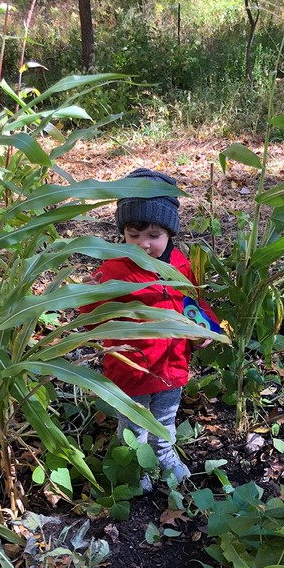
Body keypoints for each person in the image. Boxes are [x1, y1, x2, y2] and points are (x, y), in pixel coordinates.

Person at [80, 167, 220, 491]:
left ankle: (163, 451)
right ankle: (132, 463)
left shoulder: (181, 265)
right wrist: (87, 295)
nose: (143, 244)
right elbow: (91, 317)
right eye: (134, 234)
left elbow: (194, 303)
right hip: (133, 371)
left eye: (153, 236)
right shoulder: (115, 269)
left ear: (170, 232)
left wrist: (206, 331)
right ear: (123, 234)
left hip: (172, 367)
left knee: (165, 419)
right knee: (134, 424)